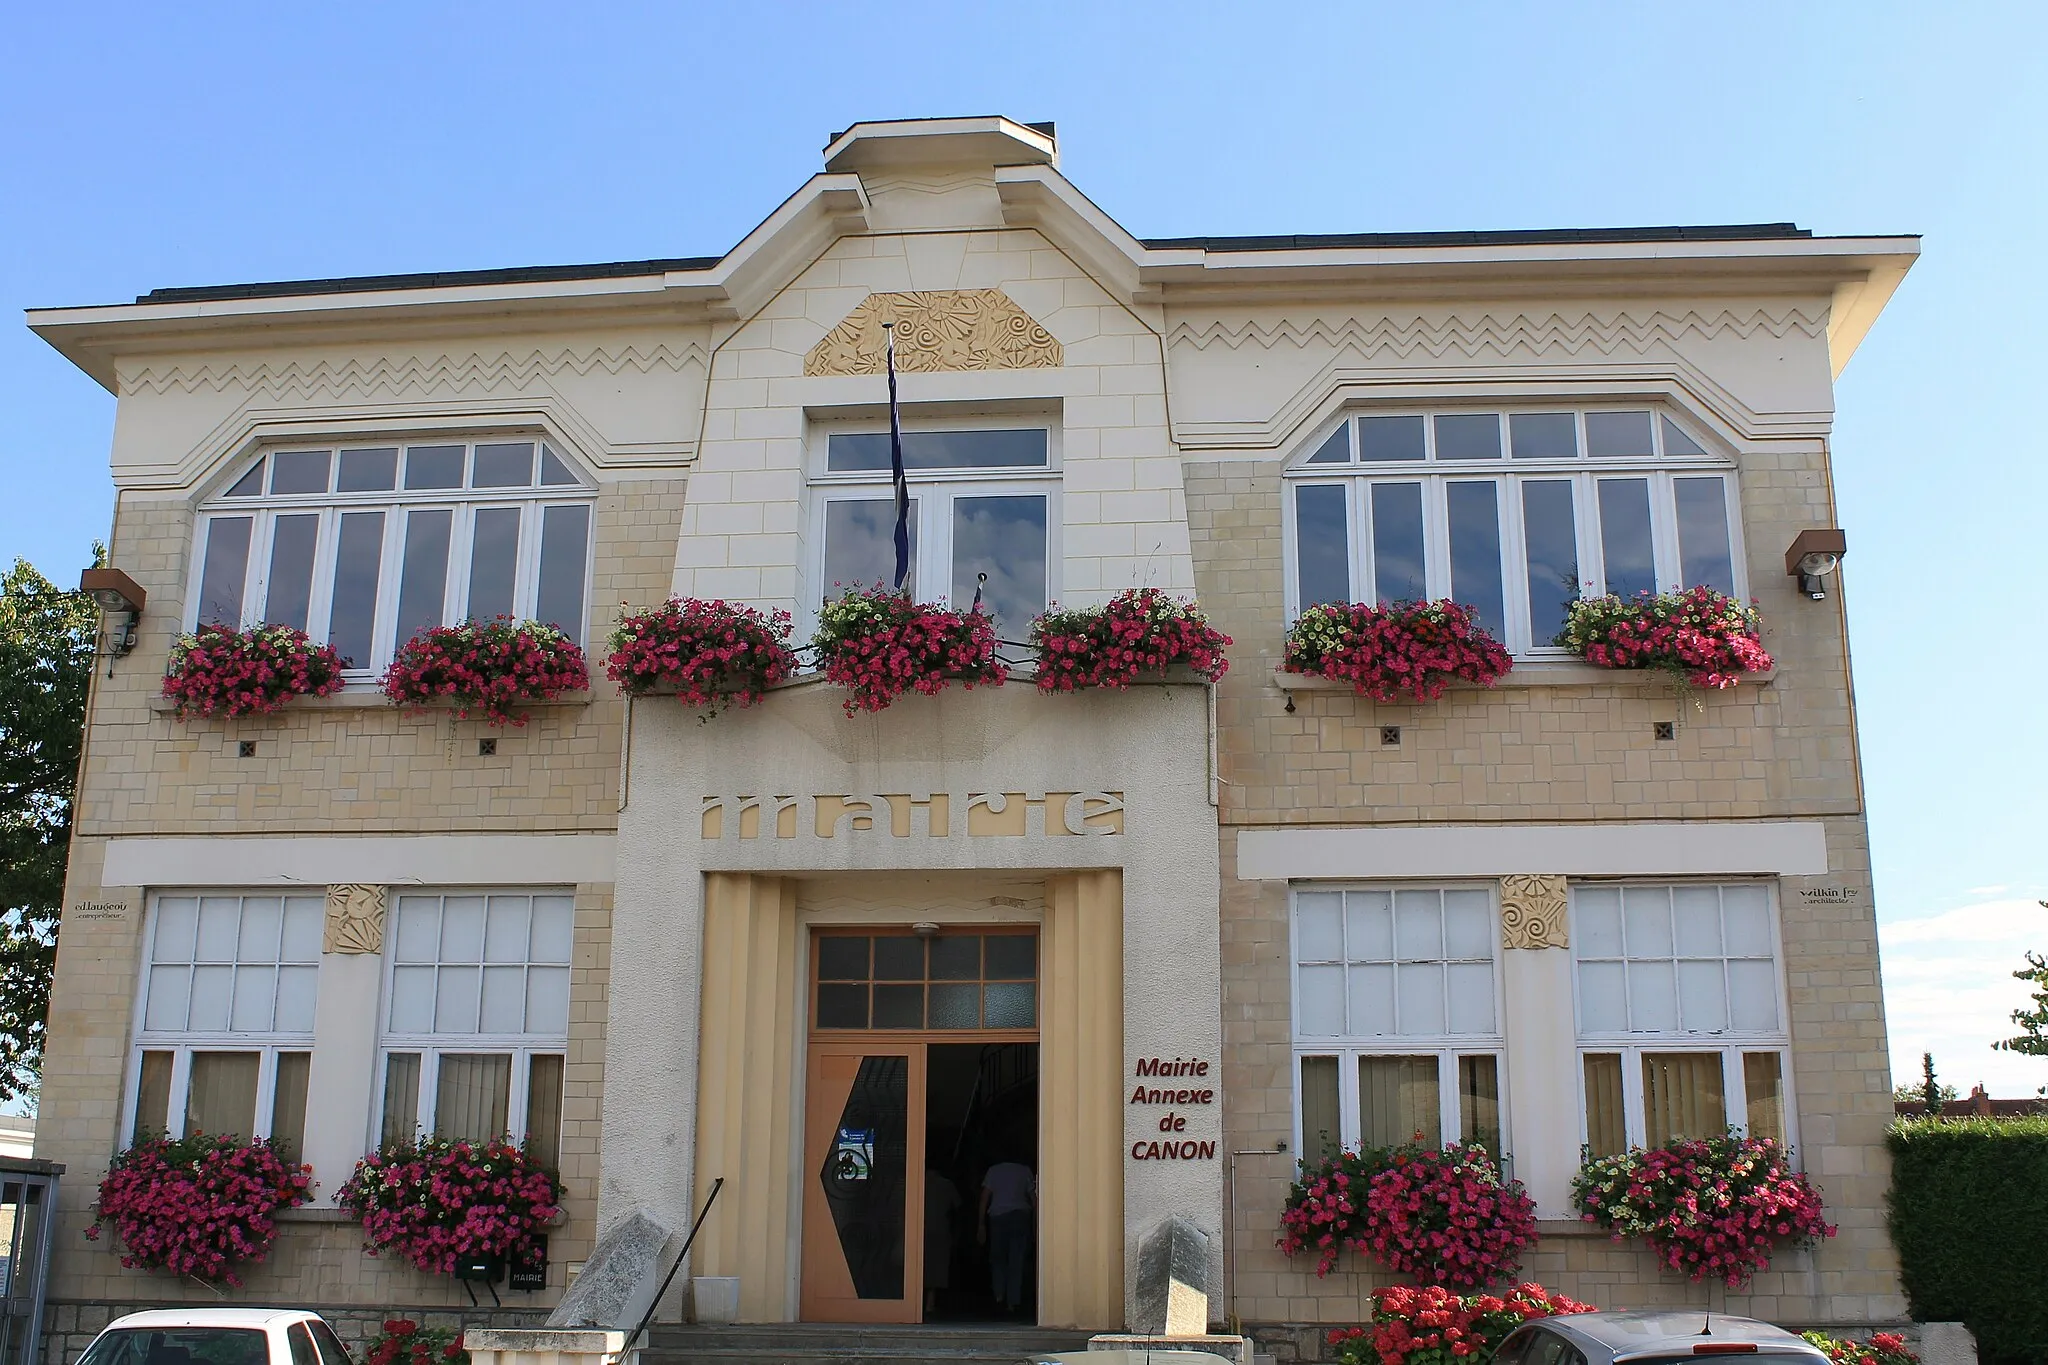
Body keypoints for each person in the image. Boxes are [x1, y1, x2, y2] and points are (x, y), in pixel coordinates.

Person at [977, 1154, 1035, 1317]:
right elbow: (1033, 1198)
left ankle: (998, 1297)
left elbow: (984, 1198)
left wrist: (981, 1225)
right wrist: (1037, 1225)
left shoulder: (994, 1171)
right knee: (1017, 1260)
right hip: (1020, 1217)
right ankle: (1013, 1303)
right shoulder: (1024, 1171)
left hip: (998, 1218)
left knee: (998, 1259)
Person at [922, 1167, 960, 1315]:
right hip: (940, 1229)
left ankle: (913, 1302)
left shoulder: (916, 1182)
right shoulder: (946, 1184)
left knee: (918, 1266)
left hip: (917, 1229)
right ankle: (929, 1304)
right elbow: (957, 1206)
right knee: (936, 1267)